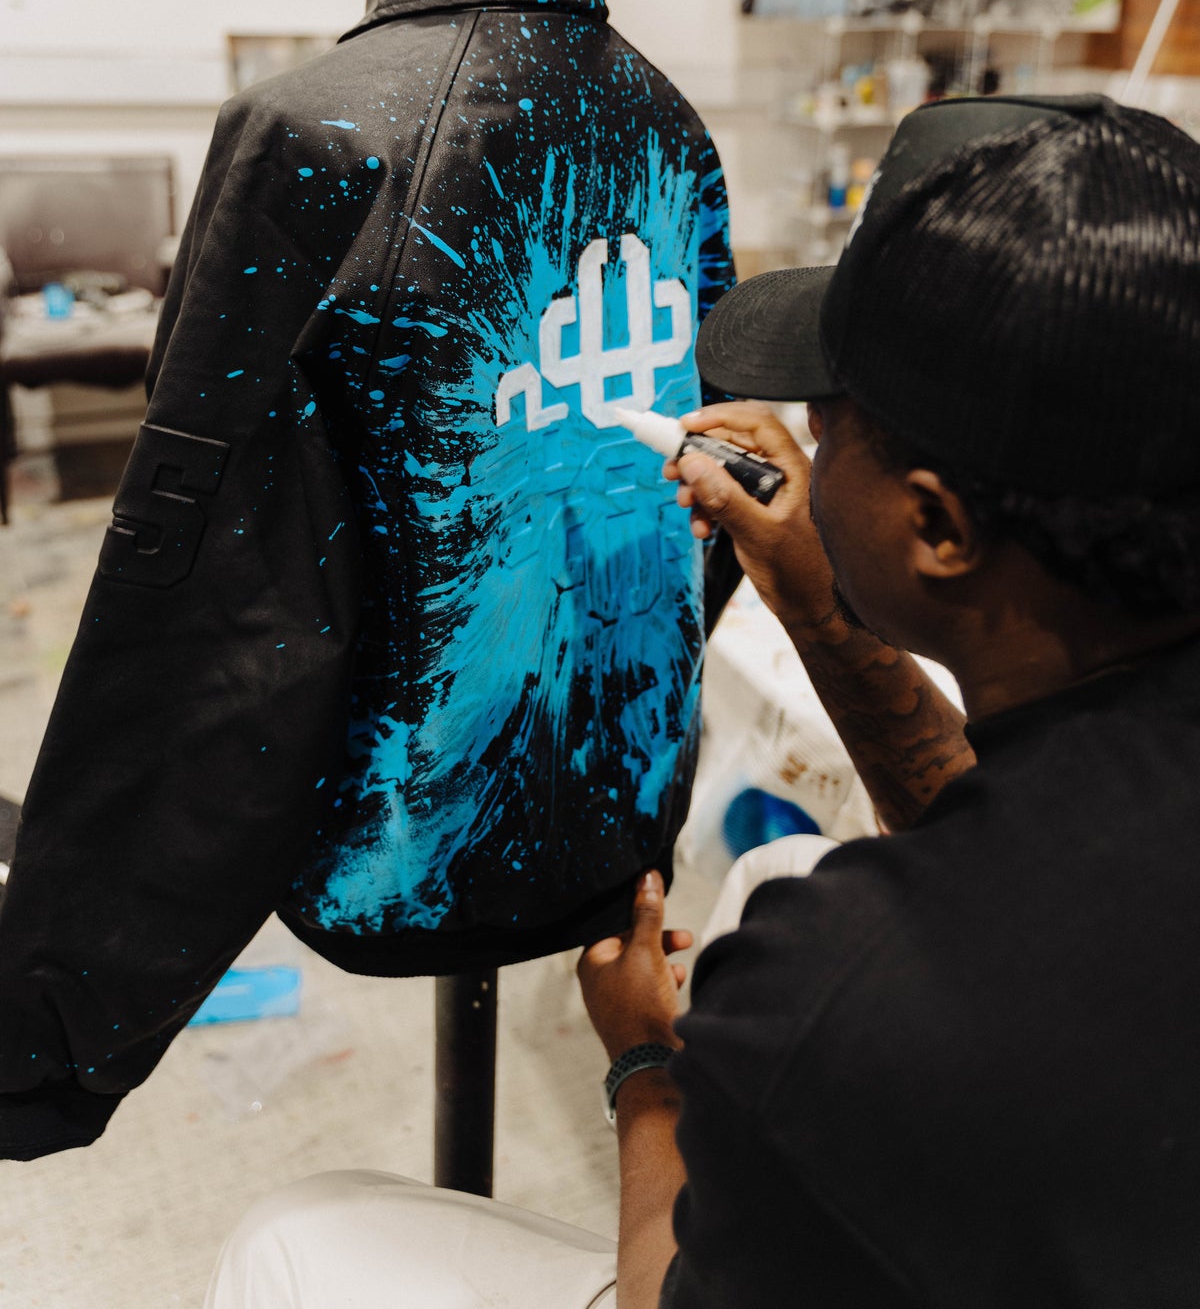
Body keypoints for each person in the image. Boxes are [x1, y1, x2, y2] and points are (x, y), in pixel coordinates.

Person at [207, 92, 1200, 1306]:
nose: (803, 453)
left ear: (939, 526)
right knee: (775, 871)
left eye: (832, 430)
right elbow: (1012, 848)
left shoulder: (847, 988)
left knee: (297, 1237)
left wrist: (646, 1067)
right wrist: (820, 599)